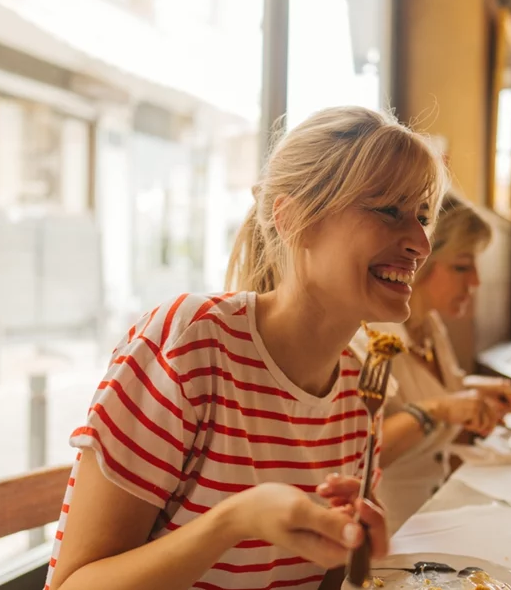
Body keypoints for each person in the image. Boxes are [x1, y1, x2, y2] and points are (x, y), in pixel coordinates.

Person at [45, 106, 447, 590]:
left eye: (423, 217)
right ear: (294, 217)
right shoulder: (190, 341)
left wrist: (348, 542)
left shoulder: (361, 389)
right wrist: (234, 520)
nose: (420, 242)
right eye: (389, 210)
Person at [352, 193, 511, 532]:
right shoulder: (372, 337)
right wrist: (442, 409)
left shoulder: (429, 325)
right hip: (392, 531)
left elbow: (436, 390)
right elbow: (364, 450)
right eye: (462, 267)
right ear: (422, 261)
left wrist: (475, 389)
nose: (475, 282)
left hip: (439, 513)